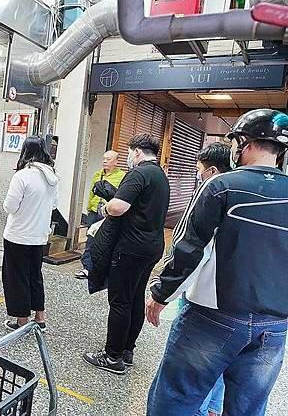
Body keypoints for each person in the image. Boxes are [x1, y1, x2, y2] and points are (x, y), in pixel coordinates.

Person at [146, 109, 288, 416]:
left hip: (214, 319)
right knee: (247, 409)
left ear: (245, 144)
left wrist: (161, 295)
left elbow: (191, 249)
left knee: (176, 398)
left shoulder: (221, 186)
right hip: (275, 327)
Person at [83, 134, 170, 375]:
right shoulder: (160, 175)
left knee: (120, 301)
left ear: (138, 152)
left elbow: (117, 207)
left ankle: (112, 358)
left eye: (131, 153)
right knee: (134, 299)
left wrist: (108, 204)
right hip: (151, 247)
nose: (130, 158)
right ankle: (126, 350)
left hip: (130, 248)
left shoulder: (139, 173)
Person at [162, 142, 232, 416]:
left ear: (212, 169)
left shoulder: (213, 191)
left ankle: (200, 409)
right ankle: (213, 407)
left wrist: (163, 291)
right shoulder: (239, 194)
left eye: (199, 170)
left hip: (201, 288)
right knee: (223, 359)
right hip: (238, 301)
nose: (197, 175)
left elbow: (193, 244)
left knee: (197, 359)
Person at [1, 136, 58, 331]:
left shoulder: (23, 175)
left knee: (17, 277)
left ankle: (21, 320)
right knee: (35, 275)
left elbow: (10, 206)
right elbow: (55, 205)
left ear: (25, 151)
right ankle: (40, 318)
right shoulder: (52, 176)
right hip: (39, 236)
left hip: (18, 235)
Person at [76, 151, 125, 279]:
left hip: (108, 213)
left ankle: (103, 269)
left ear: (116, 161)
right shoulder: (98, 174)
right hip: (94, 211)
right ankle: (87, 267)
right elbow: (92, 193)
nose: (105, 161)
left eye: (108, 159)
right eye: (103, 158)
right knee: (90, 239)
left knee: (106, 241)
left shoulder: (122, 176)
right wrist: (88, 208)